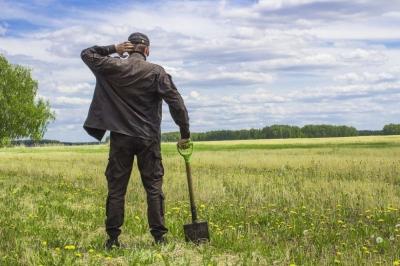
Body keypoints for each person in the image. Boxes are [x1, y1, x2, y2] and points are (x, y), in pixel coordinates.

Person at [80, 32, 190, 249]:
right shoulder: (156, 72)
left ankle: (112, 239)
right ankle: (159, 238)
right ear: (147, 50)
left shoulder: (112, 66)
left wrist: (113, 48)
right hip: (148, 138)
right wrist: (184, 133)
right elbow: (176, 103)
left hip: (120, 138)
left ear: (128, 48)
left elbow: (87, 53)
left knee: (116, 189)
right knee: (153, 188)